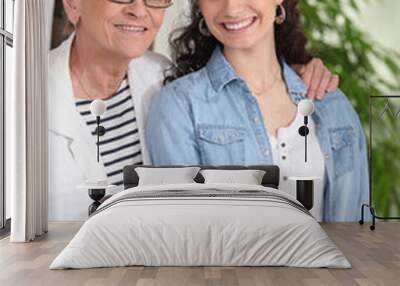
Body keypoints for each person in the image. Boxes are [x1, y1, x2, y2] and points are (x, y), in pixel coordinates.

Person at [49, 0, 338, 221]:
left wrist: (301, 72)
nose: (139, 10)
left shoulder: (160, 77)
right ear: (73, 4)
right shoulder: (23, 96)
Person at [146, 0, 368, 221]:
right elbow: (188, 232)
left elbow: (359, 229)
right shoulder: (179, 107)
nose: (232, 8)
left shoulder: (333, 105)